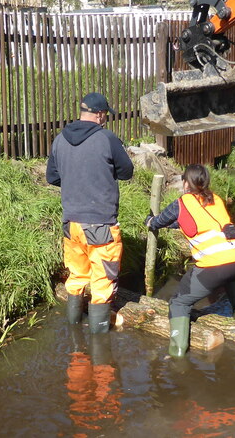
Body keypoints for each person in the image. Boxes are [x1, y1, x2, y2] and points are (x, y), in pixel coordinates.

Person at [145, 164, 235, 357]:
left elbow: (158, 221)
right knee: (232, 277)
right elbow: (199, 223)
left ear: (185, 183)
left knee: (179, 303)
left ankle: (177, 355)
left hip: (218, 262)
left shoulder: (182, 203)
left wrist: (149, 221)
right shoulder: (216, 199)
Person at [47, 92, 134, 334]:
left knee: (76, 277)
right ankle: (101, 354)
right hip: (101, 227)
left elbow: (52, 177)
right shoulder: (106, 138)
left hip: (71, 224)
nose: (105, 119)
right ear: (99, 114)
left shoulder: (59, 139)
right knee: (102, 283)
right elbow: (126, 172)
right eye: (105, 114)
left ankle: (74, 337)